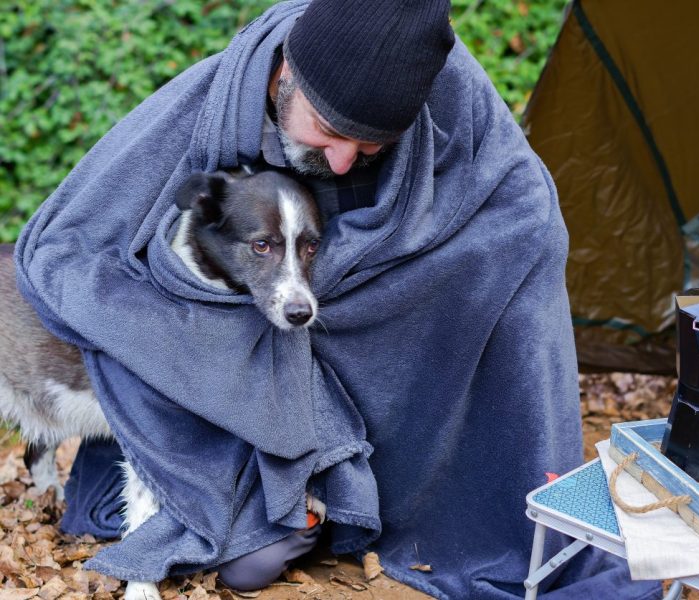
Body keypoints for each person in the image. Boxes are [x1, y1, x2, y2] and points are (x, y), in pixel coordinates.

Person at [16, 0, 661, 598]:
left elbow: (527, 214)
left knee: (268, 549)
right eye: (327, 132)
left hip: (365, 342)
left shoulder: (442, 87)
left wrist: (365, 268)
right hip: (237, 367)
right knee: (245, 556)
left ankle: (348, 488)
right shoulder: (217, 95)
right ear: (284, 76)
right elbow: (70, 248)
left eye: (372, 146)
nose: (347, 162)